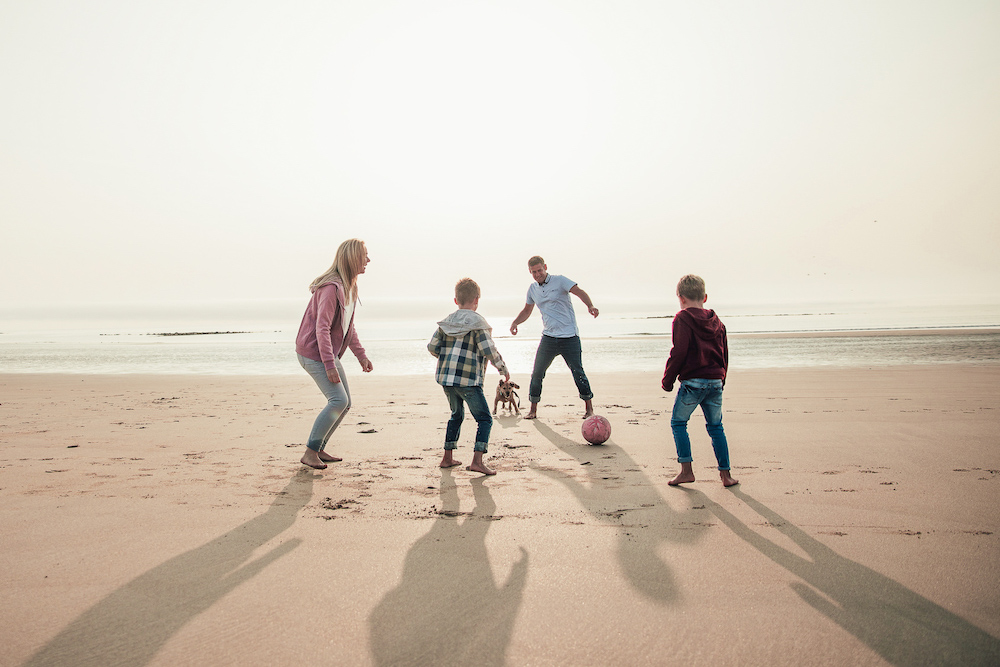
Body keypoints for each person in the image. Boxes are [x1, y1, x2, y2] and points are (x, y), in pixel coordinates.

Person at [295, 239, 373, 470]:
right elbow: (322, 328)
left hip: (326, 353)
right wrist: (329, 365)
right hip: (313, 353)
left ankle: (317, 449)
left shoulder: (350, 287)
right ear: (352, 258)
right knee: (338, 400)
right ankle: (310, 453)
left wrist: (361, 355)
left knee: (345, 403)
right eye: (365, 255)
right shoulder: (331, 289)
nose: (368, 260)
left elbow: (348, 327)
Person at [661, 274, 738, 487]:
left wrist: (668, 380)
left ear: (681, 298)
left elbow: (679, 352)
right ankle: (726, 475)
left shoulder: (682, 318)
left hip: (693, 383)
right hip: (715, 381)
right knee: (716, 427)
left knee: (678, 423)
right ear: (704, 297)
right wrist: (722, 378)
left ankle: (686, 470)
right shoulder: (717, 321)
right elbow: (724, 353)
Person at [428, 278, 510, 476]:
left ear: (456, 300)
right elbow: (488, 349)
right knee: (484, 419)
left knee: (456, 415)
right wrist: (502, 368)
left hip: (447, 380)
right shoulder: (477, 323)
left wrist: (447, 358)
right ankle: (477, 461)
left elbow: (432, 347)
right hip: (468, 382)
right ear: (477, 300)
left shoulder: (446, 323)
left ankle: (447, 458)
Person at [509, 256, 598, 420]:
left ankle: (589, 409)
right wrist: (515, 322)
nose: (537, 274)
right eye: (534, 272)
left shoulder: (560, 280)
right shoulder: (532, 289)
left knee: (578, 372)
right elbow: (527, 310)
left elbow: (579, 292)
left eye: (540, 270)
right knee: (537, 373)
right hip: (549, 337)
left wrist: (590, 305)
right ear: (530, 272)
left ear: (545, 267)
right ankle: (533, 410)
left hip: (569, 336)